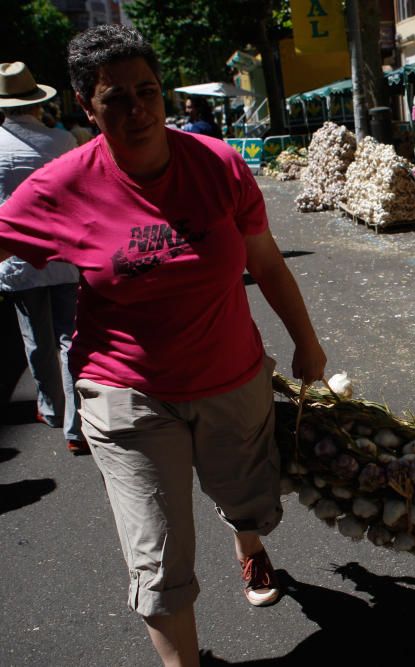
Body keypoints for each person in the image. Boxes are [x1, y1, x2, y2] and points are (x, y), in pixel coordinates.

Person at [0, 25, 327, 667]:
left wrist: (306, 342)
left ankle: (249, 544)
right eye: (114, 97)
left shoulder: (219, 164)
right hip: (125, 394)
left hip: (231, 377)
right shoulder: (60, 184)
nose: (136, 109)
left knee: (247, 497)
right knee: (157, 555)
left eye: (146, 91)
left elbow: (265, 260)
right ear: (84, 104)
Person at [0, 61, 86, 454]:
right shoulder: (62, 141)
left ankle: (50, 407)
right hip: (64, 253)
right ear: (37, 104)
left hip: (17, 257)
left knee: (36, 338)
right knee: (71, 339)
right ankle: (76, 426)